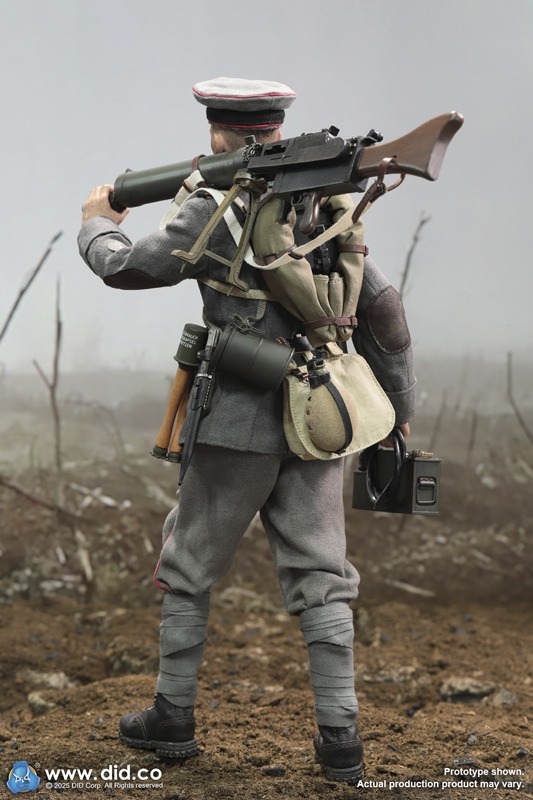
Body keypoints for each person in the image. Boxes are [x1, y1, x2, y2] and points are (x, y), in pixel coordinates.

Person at [78, 77, 416, 784]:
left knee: (187, 564)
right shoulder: (324, 203)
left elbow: (130, 267)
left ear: (220, 132)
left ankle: (172, 717)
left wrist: (96, 226)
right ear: (276, 127)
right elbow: (384, 312)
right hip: (321, 418)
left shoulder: (219, 205)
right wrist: (398, 405)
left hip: (236, 419)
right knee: (323, 576)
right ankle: (341, 738)